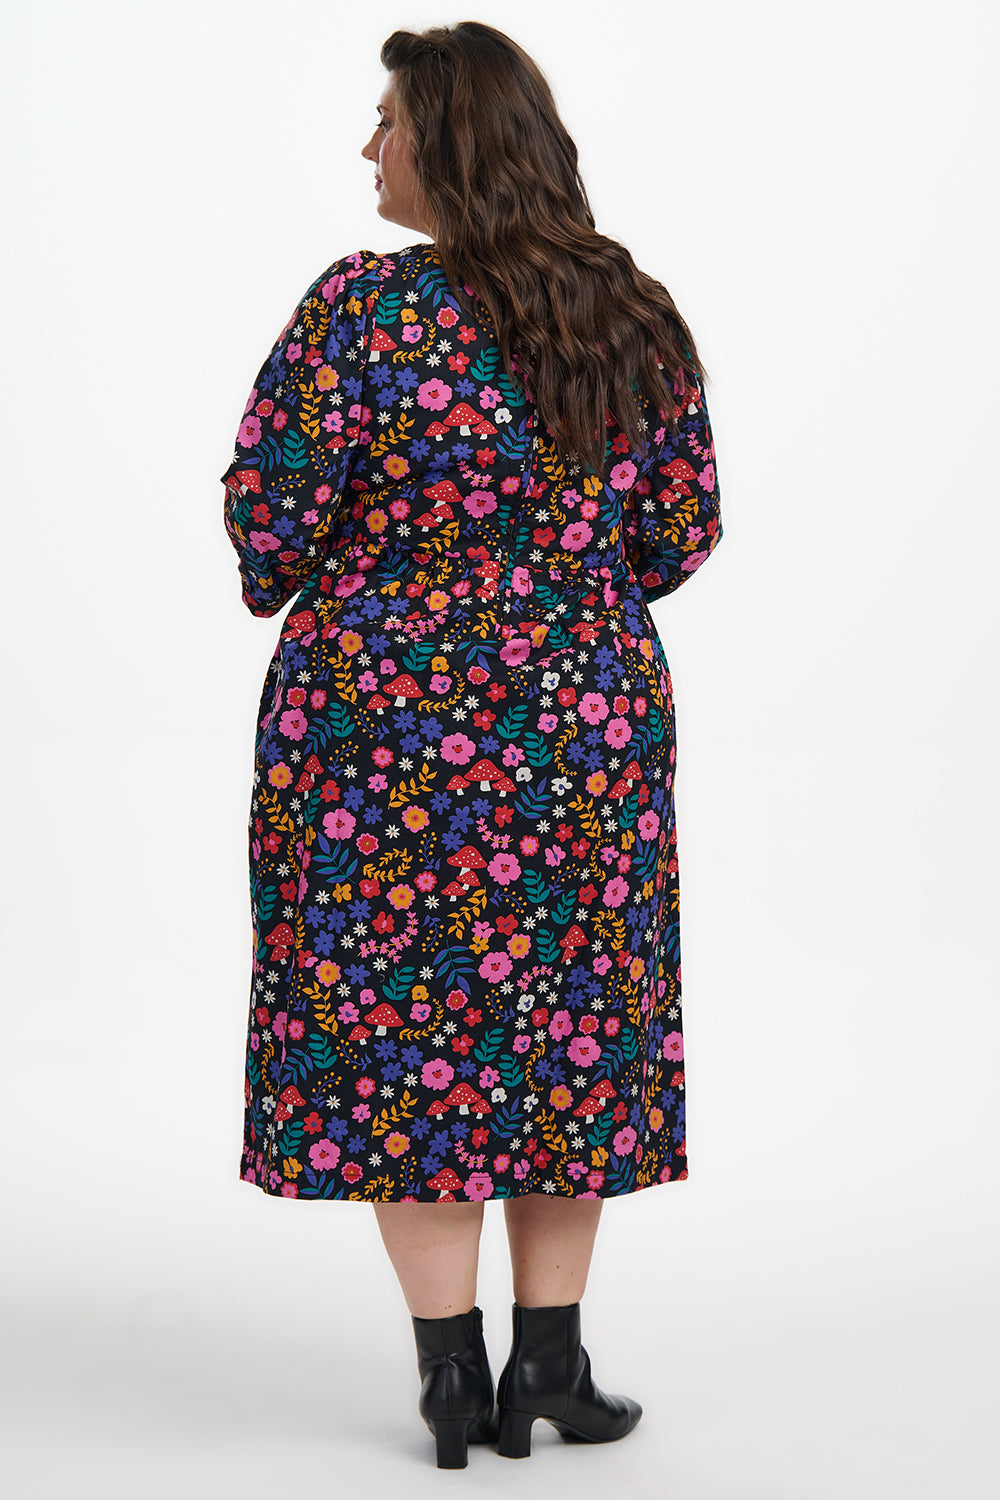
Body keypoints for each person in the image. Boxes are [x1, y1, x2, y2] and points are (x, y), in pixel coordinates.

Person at [220, 20, 722, 1470]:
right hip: (580, 735)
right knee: (572, 1032)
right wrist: (554, 586)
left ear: (444, 144)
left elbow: (268, 533)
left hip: (373, 740)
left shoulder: (359, 314)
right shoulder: (627, 311)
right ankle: (549, 1366)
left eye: (385, 122)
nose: (367, 147)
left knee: (402, 1039)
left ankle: (451, 1379)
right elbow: (678, 533)